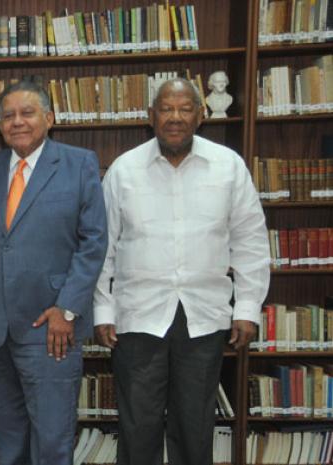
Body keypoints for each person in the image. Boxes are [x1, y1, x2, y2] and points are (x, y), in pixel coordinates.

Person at [94, 78, 269, 465]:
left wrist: (247, 308)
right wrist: (103, 310)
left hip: (204, 318)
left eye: (185, 108)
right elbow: (102, 247)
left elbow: (250, 241)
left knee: (195, 424)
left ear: (201, 115)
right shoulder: (124, 169)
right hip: (137, 317)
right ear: (150, 116)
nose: (175, 118)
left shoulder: (228, 166)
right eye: (166, 109)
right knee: (138, 425)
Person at [0, 81, 108, 465]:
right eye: (8, 115)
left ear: (49, 118)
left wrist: (66, 309)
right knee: (9, 436)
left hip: (50, 325)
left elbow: (94, 242)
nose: (17, 122)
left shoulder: (79, 163)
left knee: (51, 438)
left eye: (27, 113)